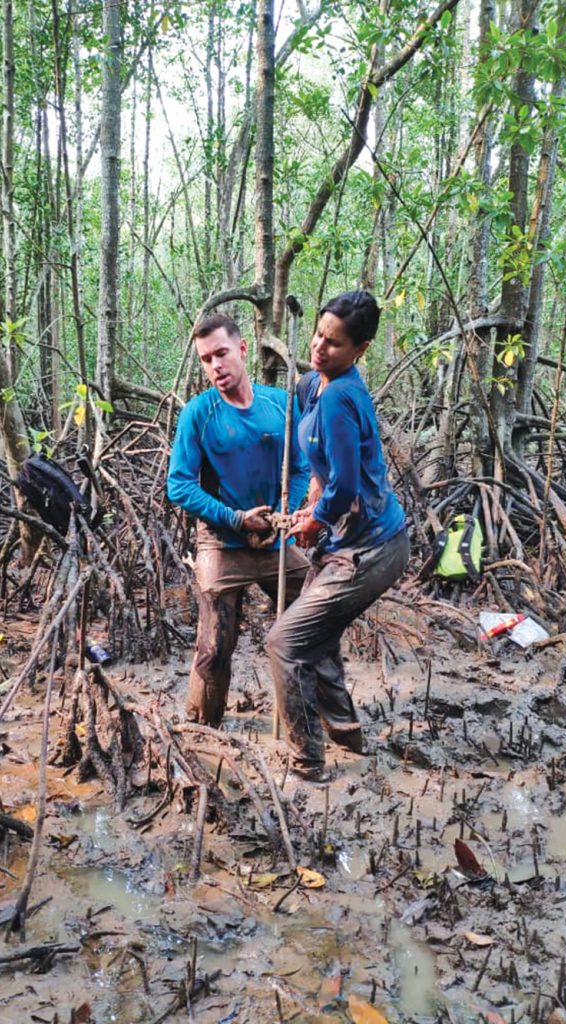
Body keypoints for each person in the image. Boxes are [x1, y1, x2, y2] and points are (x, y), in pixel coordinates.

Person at [267, 290, 409, 783]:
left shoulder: (342, 399)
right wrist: (311, 498)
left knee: (285, 642)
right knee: (317, 638)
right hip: (347, 541)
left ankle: (307, 764)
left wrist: (314, 519)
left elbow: (347, 482)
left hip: (372, 549)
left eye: (334, 342)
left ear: (360, 350)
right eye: (318, 334)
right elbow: (324, 469)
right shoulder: (314, 387)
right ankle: (346, 734)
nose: (319, 347)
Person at [167, 313, 310, 726]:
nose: (215, 366)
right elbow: (178, 485)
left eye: (222, 354)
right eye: (206, 359)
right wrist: (236, 519)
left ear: (243, 349)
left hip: (275, 539)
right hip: (222, 540)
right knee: (214, 647)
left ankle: (319, 723)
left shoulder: (280, 405)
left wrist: (283, 513)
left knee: (313, 626)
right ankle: (202, 730)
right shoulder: (198, 413)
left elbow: (300, 468)